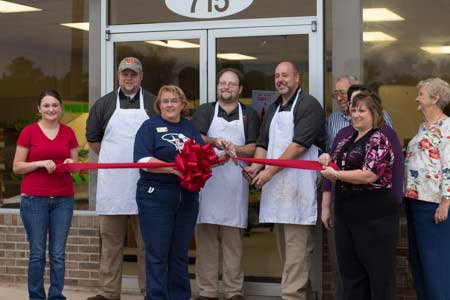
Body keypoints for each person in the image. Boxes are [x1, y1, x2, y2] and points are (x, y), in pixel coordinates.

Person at [245, 61, 326, 300]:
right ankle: (301, 294)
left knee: (297, 249)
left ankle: (292, 296)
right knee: (284, 247)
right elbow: (262, 143)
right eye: (277, 76)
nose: (280, 80)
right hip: (278, 188)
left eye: (285, 75)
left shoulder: (309, 105)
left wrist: (268, 173)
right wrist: (254, 167)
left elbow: (299, 146)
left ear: (297, 78)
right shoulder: (273, 108)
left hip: (299, 185)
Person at [322, 85, 404, 300]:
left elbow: (370, 174)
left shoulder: (380, 139)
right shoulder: (347, 138)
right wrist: (326, 160)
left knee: (378, 276)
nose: (356, 114)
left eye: (362, 110)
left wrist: (337, 176)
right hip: (348, 216)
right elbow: (335, 163)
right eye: (354, 109)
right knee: (351, 275)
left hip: (374, 217)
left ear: (374, 114)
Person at [86, 57, 155, 300]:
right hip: (113, 185)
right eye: (125, 74)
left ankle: (150, 291)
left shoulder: (153, 102)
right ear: (118, 76)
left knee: (147, 245)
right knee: (111, 243)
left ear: (141, 76)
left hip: (146, 183)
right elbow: (93, 138)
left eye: (133, 74)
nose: (129, 78)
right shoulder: (103, 104)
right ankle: (108, 293)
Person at [191, 68, 260, 300]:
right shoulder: (205, 111)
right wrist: (215, 141)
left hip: (234, 185)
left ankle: (233, 291)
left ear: (240, 89)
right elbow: (195, 137)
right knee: (207, 244)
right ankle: (207, 291)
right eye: (222, 83)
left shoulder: (249, 114)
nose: (226, 87)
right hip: (207, 184)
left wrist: (234, 150)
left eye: (231, 84)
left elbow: (253, 147)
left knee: (233, 245)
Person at [134, 85, 205, 300]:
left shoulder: (190, 128)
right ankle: (156, 296)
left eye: (174, 100)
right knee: (157, 253)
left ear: (182, 105)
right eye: (165, 101)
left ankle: (180, 296)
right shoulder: (149, 127)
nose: (170, 105)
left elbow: (201, 158)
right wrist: (173, 168)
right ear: (159, 105)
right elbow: (143, 160)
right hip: (155, 197)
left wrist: (220, 159)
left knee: (180, 254)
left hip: (186, 198)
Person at [13, 90, 79, 300]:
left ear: (61, 108)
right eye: (46, 105)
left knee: (58, 254)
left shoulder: (68, 133)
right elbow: (17, 167)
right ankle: (36, 296)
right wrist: (39, 163)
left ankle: (56, 295)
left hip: (63, 199)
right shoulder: (29, 132)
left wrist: (71, 165)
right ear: (39, 109)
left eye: (55, 105)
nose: (51, 109)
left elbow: (76, 167)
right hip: (34, 200)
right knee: (37, 254)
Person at [404, 78, 450, 300]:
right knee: (419, 261)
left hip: (433, 204)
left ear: (435, 98)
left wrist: (446, 200)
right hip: (415, 200)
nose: (416, 99)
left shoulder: (447, 127)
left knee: (435, 263)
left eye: (421, 94)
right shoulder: (424, 127)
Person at [327, 75, 393, 151]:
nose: (339, 98)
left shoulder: (380, 115)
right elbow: (331, 150)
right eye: (336, 94)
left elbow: (392, 147)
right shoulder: (333, 119)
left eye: (342, 93)